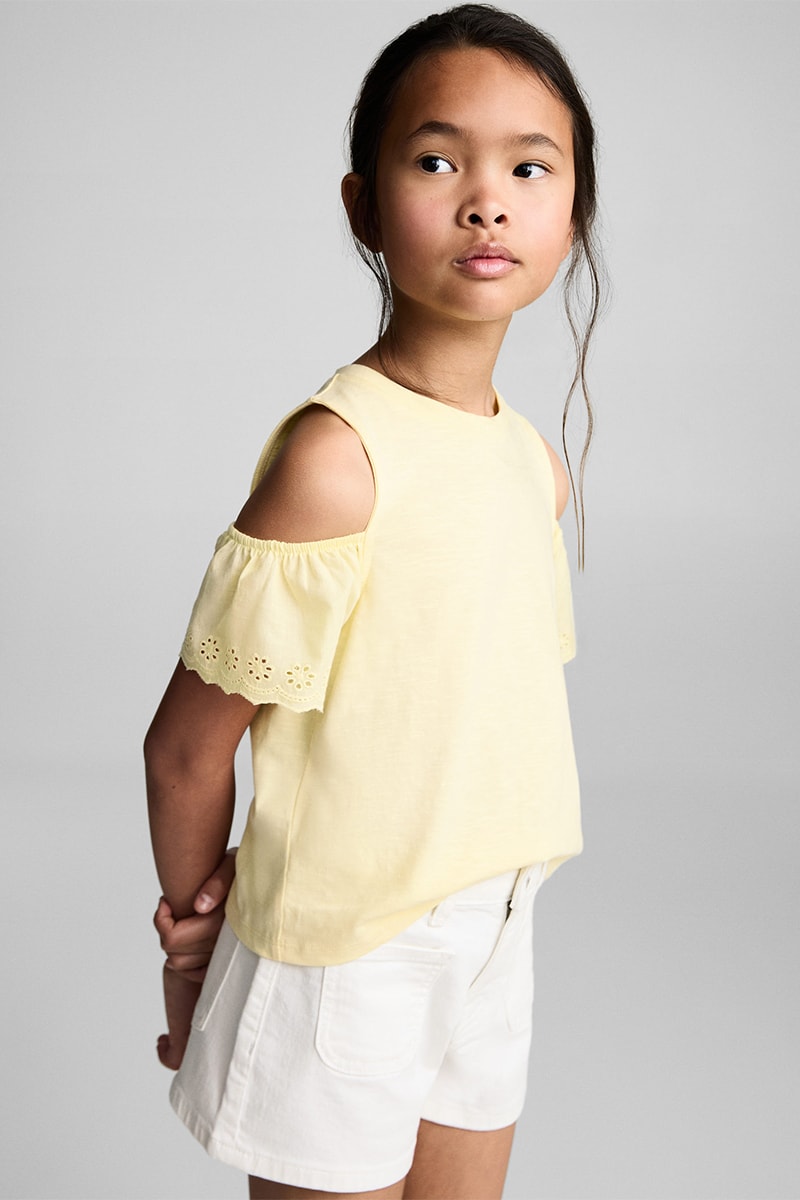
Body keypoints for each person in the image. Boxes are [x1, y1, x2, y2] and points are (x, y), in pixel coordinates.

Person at [145, 4, 603, 1197]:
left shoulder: (531, 465)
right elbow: (186, 748)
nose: (485, 202)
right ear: (363, 206)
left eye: (528, 169)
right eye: (437, 161)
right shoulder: (337, 460)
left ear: (571, 212)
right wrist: (190, 952)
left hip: (492, 930)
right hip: (341, 956)